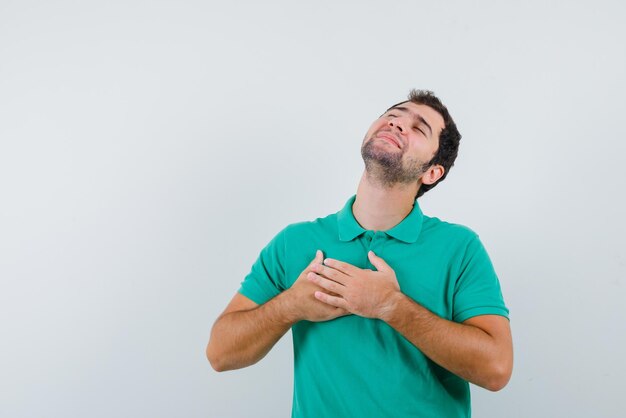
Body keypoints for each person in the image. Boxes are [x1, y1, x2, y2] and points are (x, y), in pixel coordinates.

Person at [206, 89, 513, 418]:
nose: (396, 123)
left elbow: (496, 369)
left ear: (432, 172)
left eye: (419, 127)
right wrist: (290, 305)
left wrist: (390, 305)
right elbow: (220, 353)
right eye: (392, 114)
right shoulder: (294, 242)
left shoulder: (459, 248)